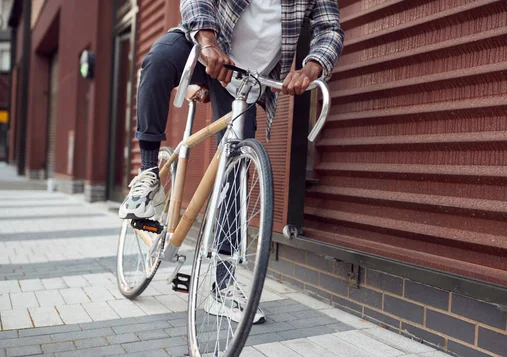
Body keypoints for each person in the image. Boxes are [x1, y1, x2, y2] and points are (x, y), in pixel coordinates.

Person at [119, 0, 344, 322]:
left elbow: (329, 29)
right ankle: (149, 174)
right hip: (202, 46)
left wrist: (310, 69)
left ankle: (222, 287)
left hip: (245, 78)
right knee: (157, 60)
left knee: (234, 172)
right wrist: (208, 44)